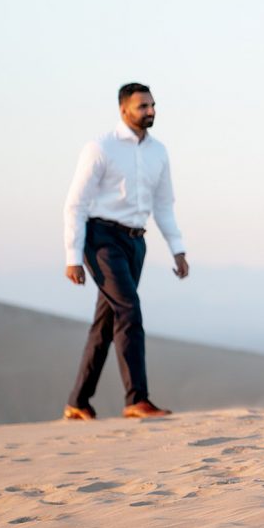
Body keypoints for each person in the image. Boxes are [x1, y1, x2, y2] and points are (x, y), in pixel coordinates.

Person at [61, 82, 189, 419]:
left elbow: (163, 204)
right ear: (124, 110)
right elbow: (76, 203)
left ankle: (78, 401)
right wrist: (73, 257)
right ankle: (136, 399)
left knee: (105, 323)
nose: (151, 111)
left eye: (152, 105)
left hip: (136, 242)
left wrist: (178, 249)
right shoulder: (100, 147)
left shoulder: (158, 151)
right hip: (101, 239)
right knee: (129, 311)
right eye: (143, 106)